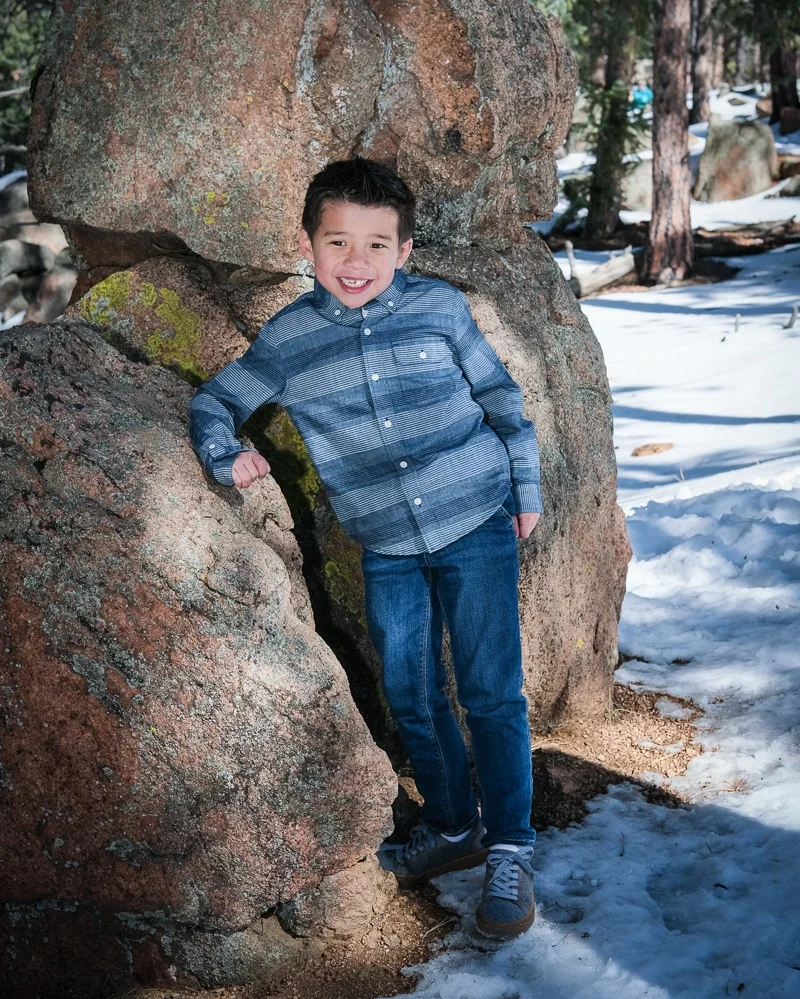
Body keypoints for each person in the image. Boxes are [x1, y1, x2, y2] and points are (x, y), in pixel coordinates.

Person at [189, 157, 542, 939]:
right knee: (412, 691)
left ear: (405, 252)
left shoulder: (441, 311)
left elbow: (502, 400)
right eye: (338, 242)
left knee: (489, 690)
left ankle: (511, 845)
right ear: (308, 246)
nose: (357, 263)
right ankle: (454, 829)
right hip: (385, 541)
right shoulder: (288, 340)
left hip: (475, 518)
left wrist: (526, 490)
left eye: (377, 245)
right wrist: (225, 453)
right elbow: (216, 400)